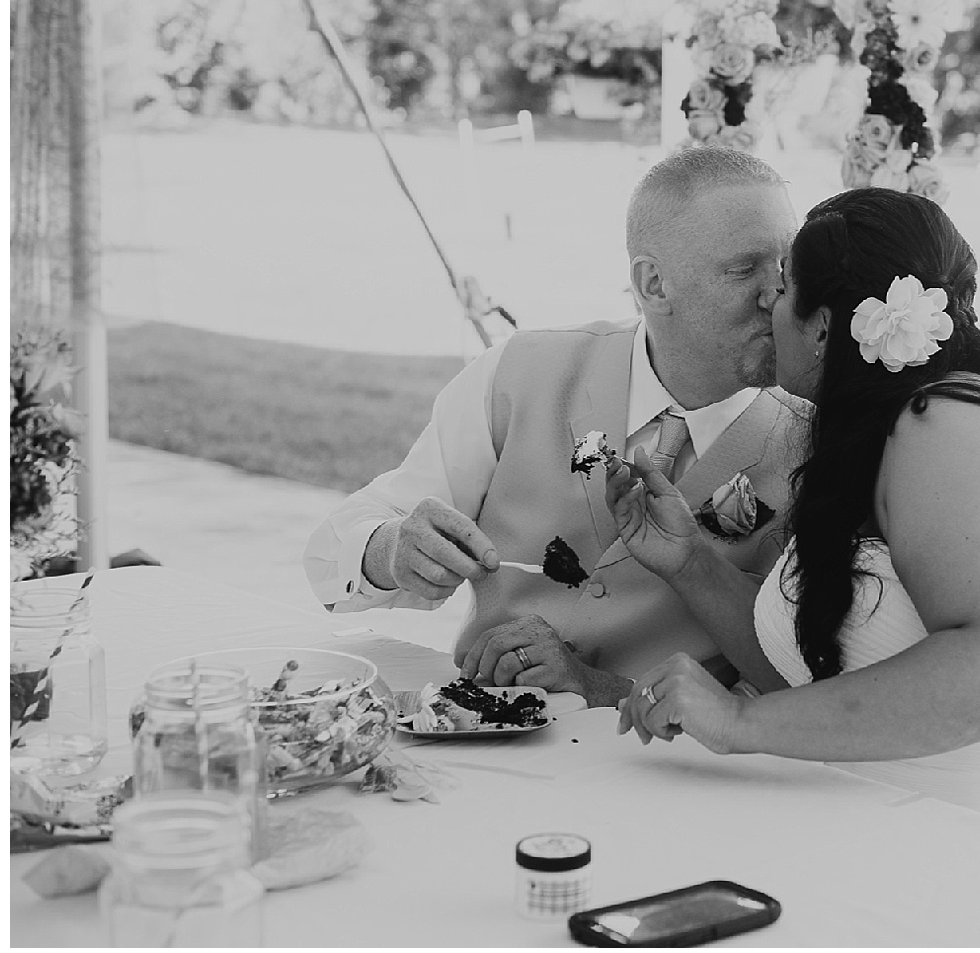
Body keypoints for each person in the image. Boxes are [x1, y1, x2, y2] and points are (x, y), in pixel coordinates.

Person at [605, 190, 980, 865]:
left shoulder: (957, 424)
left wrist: (738, 722)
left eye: (783, 290)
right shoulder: (893, 434)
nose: (767, 307)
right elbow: (839, 695)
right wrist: (691, 563)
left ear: (823, 328)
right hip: (898, 857)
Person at [303, 146, 809, 703]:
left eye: (788, 265)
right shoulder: (519, 374)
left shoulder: (816, 443)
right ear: (654, 285)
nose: (778, 293)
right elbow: (335, 552)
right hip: (480, 739)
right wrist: (392, 548)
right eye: (744, 269)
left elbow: (804, 689)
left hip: (685, 775)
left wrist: (600, 689)